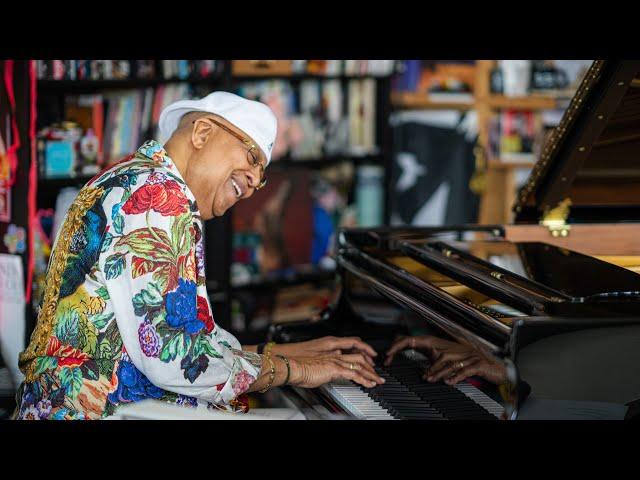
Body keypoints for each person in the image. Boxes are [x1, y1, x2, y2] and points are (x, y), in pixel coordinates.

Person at [14, 92, 384, 420]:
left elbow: (181, 340)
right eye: (252, 156)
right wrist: (293, 370)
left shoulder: (138, 178)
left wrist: (286, 352)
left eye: (262, 175)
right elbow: (173, 360)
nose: (255, 182)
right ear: (202, 133)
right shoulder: (160, 194)